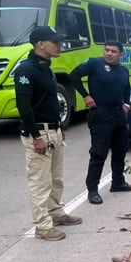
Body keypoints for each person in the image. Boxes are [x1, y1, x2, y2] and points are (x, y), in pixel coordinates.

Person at [14, 26, 83, 241]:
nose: (60, 45)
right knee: (40, 183)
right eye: (55, 42)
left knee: (56, 179)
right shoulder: (26, 70)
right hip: (39, 134)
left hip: (54, 130)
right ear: (40, 44)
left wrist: (60, 127)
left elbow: (51, 101)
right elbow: (23, 107)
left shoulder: (48, 68)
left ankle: (56, 213)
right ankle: (43, 227)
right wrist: (36, 136)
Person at [70, 41, 131, 205]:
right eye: (106, 50)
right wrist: (85, 95)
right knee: (99, 153)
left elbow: (126, 88)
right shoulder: (94, 64)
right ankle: (92, 190)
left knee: (121, 150)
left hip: (118, 113)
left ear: (121, 54)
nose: (109, 53)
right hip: (101, 113)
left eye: (114, 51)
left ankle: (118, 182)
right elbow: (74, 75)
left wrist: (126, 103)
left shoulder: (123, 70)